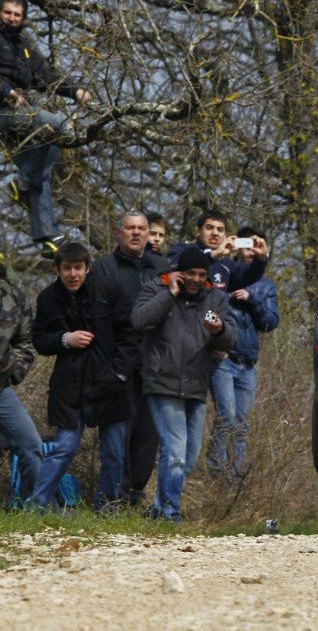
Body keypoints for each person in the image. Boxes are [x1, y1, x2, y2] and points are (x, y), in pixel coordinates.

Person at [131, 247, 236, 523]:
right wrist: (170, 294)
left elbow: (231, 339)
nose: (196, 279)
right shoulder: (158, 288)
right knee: (175, 452)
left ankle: (156, 509)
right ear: (179, 272)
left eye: (202, 274)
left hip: (196, 386)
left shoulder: (216, 298)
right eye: (191, 273)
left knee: (187, 458)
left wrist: (220, 330)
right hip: (162, 384)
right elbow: (139, 320)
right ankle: (170, 513)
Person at [29, 242, 134, 511]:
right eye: (67, 268)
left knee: (113, 452)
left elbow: (130, 335)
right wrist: (66, 339)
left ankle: (107, 507)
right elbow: (39, 340)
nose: (73, 274)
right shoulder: (48, 298)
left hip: (110, 384)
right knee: (63, 448)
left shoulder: (109, 290)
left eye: (78, 268)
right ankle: (37, 506)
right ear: (58, 270)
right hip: (69, 385)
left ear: (88, 269)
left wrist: (120, 373)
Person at [0, 0, 92, 257]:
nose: (12, 18)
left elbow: (45, 74)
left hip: (20, 115)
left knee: (46, 158)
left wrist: (75, 91)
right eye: (7, 12)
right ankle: (24, 181)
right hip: (4, 110)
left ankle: (48, 237)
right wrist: (7, 91)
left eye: (17, 14)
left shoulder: (23, 44)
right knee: (58, 125)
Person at [89, 210, 170, 506]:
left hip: (155, 364)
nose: (136, 233)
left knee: (148, 436)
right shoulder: (103, 269)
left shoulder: (162, 267)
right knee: (117, 434)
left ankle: (136, 493)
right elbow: (96, 320)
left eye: (141, 229)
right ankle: (113, 496)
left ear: (149, 234)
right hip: (117, 364)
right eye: (130, 228)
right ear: (119, 233)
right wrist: (105, 366)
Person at [207, 226, 279, 480]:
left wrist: (252, 300)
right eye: (246, 246)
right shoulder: (222, 275)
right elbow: (209, 306)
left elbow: (270, 323)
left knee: (242, 424)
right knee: (226, 416)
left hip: (248, 363)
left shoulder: (266, 286)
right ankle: (216, 471)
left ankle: (235, 478)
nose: (250, 252)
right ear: (236, 247)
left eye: (256, 246)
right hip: (224, 359)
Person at [0, 250, 41, 501]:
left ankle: (35, 509)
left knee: (31, 446)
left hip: (2, 390)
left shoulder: (12, 292)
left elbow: (27, 340)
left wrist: (15, 371)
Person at [167, 210, 269, 292]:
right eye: (209, 228)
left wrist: (261, 258)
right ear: (198, 231)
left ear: (224, 235)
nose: (215, 233)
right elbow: (175, 267)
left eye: (220, 230)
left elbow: (250, 275)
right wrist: (213, 255)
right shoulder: (182, 249)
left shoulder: (225, 264)